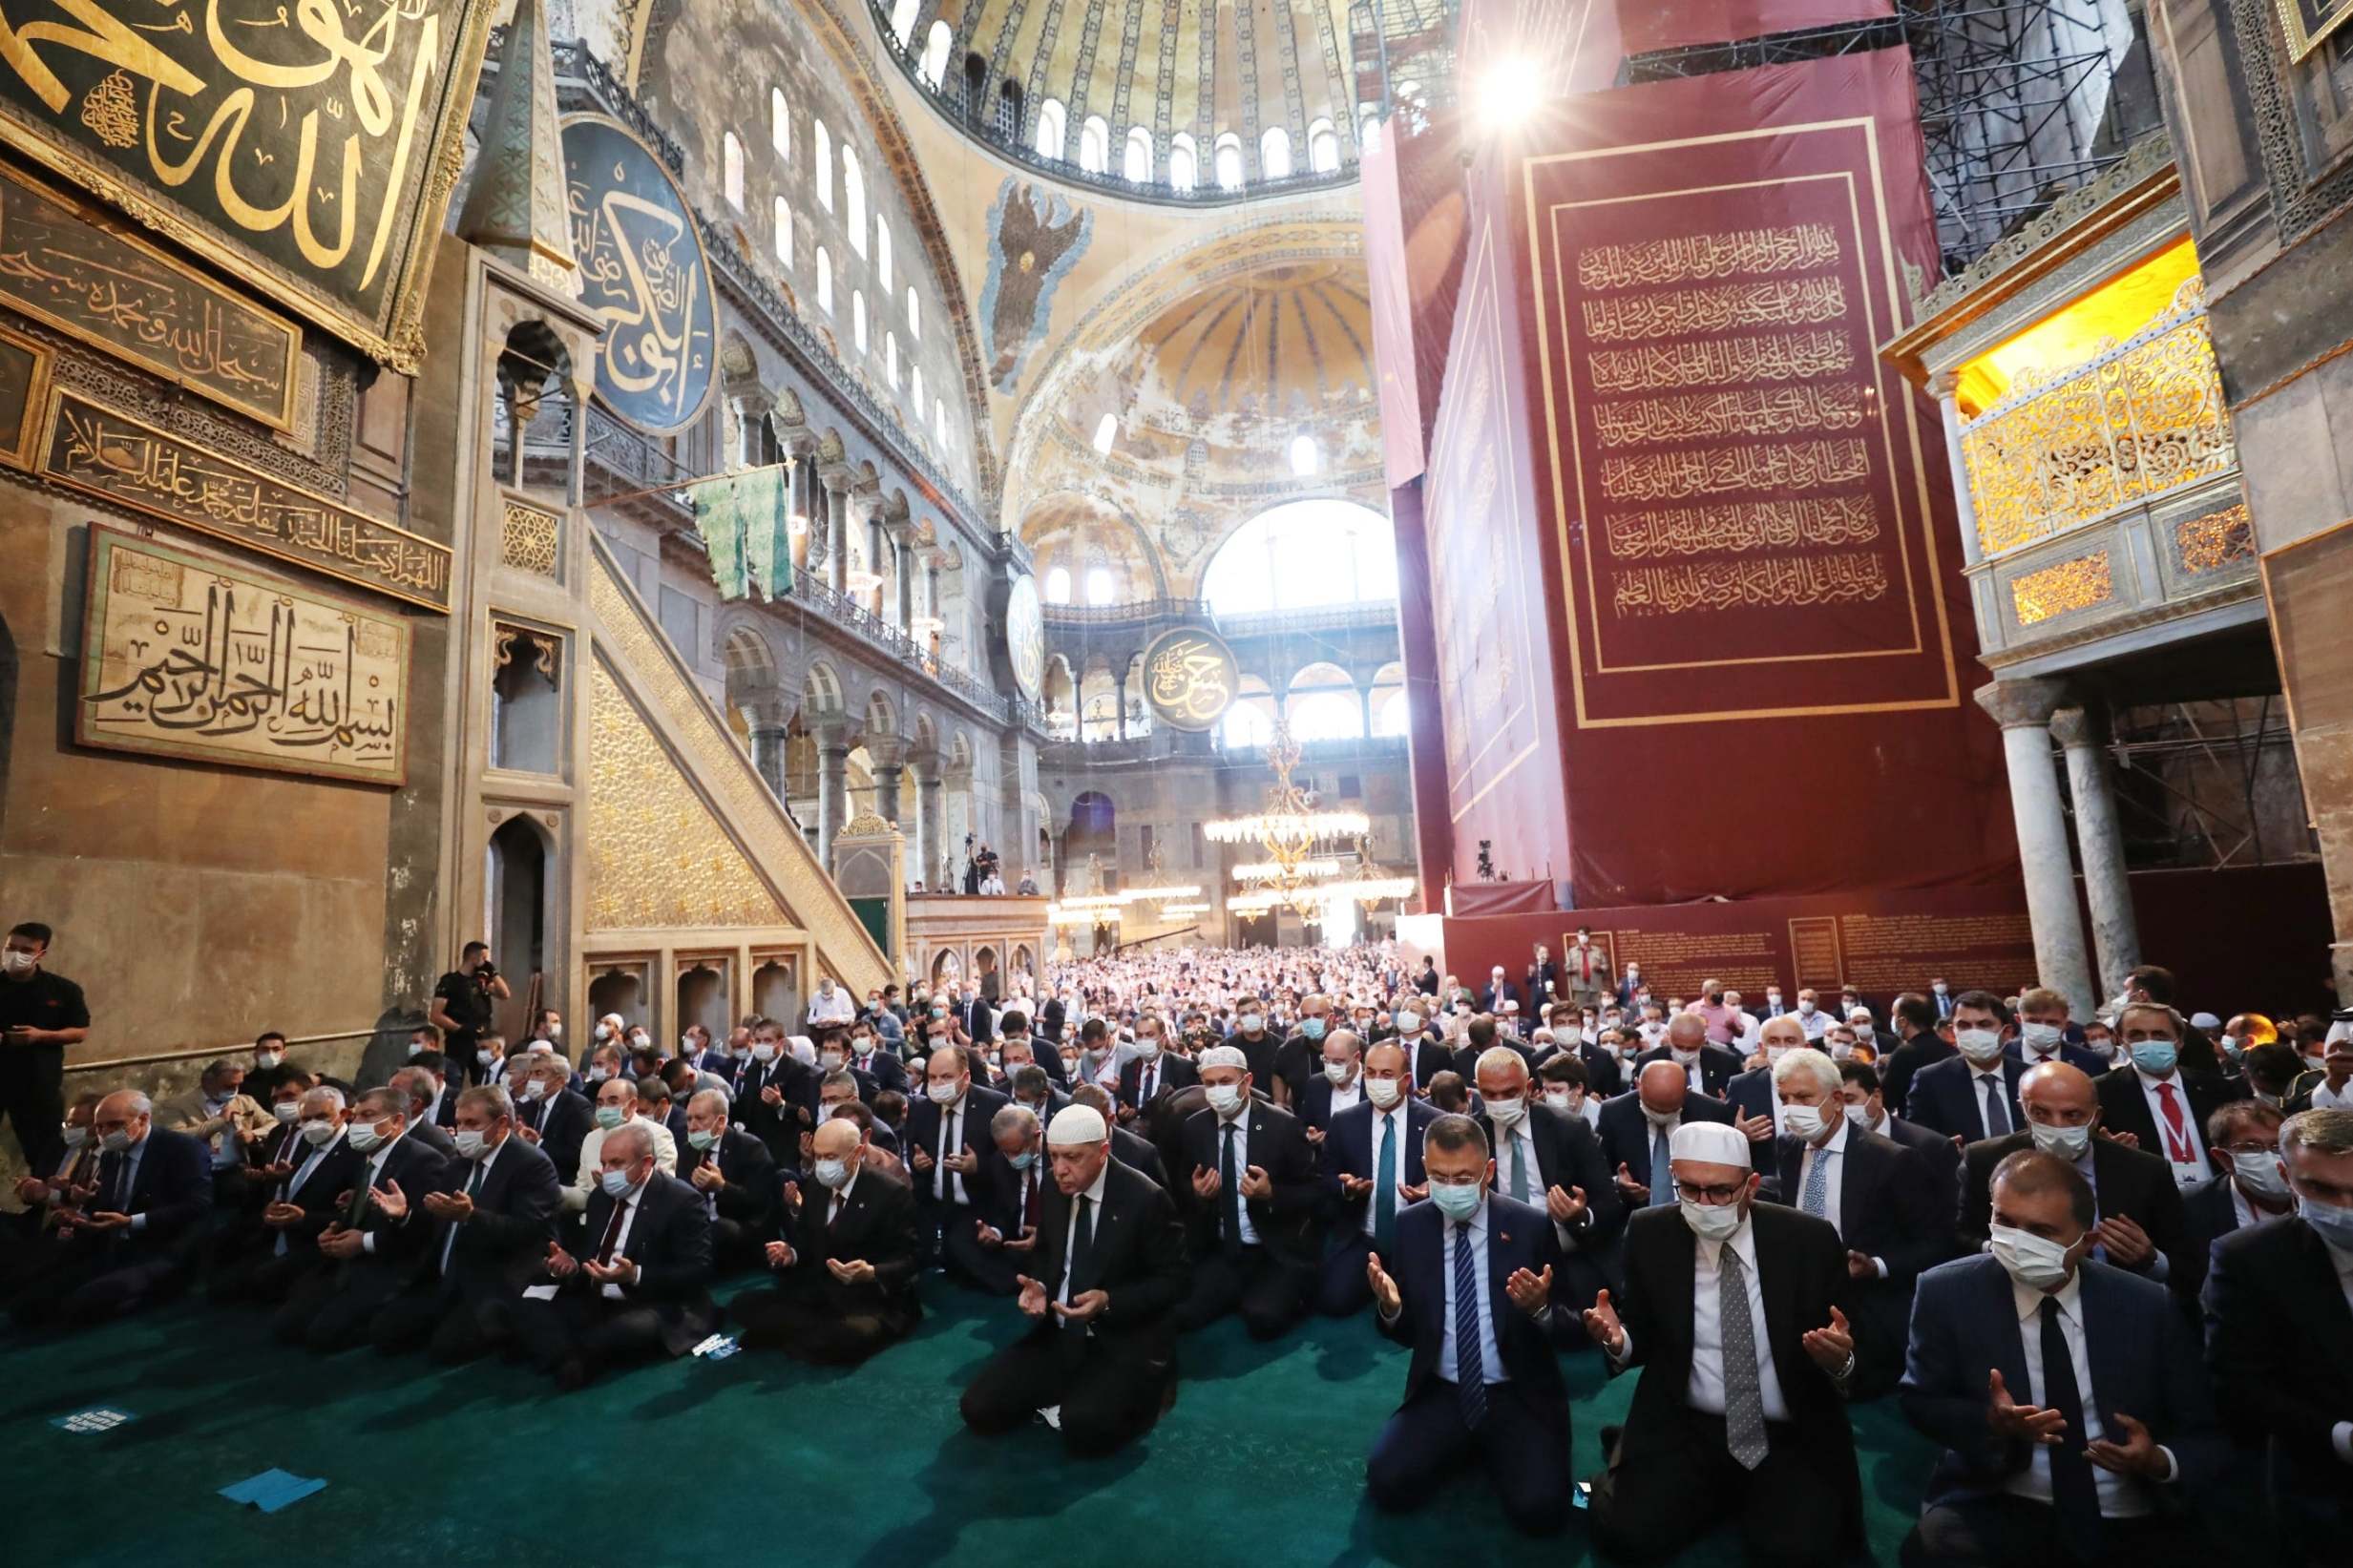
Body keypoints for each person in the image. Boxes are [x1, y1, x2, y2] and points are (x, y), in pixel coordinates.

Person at [1901, 1150, 2221, 1566]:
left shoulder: (2147, 1305)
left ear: (2086, 1241)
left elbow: (2205, 1431)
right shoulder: (1947, 1291)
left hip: (2128, 1506)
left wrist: (2158, 1460)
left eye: (2041, 1231)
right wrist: (1991, 1421)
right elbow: (1920, 1401)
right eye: (2006, 1223)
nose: (2017, 1241)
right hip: (2003, 1496)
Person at [1583, 1119, 1862, 1566]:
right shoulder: (1651, 1231)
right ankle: (1633, 1459)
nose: (1703, 1203)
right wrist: (1619, 1341)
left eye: (1719, 1191)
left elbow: (1855, 1341)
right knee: (1626, 1536)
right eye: (1688, 1189)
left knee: (1798, 1551)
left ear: (1750, 1185)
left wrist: (1841, 1360)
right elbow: (1642, 1332)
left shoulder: (1807, 1240)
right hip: (1686, 1422)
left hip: (1782, 1430)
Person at [1363, 1114, 1571, 1536]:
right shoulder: (1411, 1226)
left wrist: (1541, 1309)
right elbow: (1406, 1333)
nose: (1451, 1186)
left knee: (1542, 1511)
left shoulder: (1529, 1226)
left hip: (1516, 1391)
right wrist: (1391, 1309)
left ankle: (1484, 1448)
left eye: (1464, 1176)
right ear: (1425, 1169)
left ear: (1488, 1171)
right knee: (1388, 1484)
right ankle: (1469, 1444)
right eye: (1440, 1175)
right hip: (1442, 1390)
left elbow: (1572, 1326)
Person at [958, 1104, 1189, 1455]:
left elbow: (1174, 1281)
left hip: (1121, 1337)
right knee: (978, 1409)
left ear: (1103, 1153)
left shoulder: (1147, 1199)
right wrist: (1039, 1284)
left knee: (1083, 1430)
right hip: (1060, 1332)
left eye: (1073, 1158)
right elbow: (1047, 1250)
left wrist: (1109, 1300)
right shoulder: (1053, 1185)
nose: (1061, 1170)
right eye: (1054, 1156)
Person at [2202, 1107, 2353, 1560]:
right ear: (2286, 1175)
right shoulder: (2250, 1260)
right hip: (2324, 1500)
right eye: (2322, 1189)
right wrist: (2341, 1437)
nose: (2346, 1207)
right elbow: (2237, 1384)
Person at [1771, 1047, 1948, 1396]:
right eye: (1784, 1098)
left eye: (1803, 1096)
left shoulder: (1893, 1159)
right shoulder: (1788, 1147)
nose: (1792, 1107)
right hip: (1803, 1304)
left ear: (1837, 1100)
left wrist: (1878, 1266)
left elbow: (1936, 1243)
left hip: (1871, 1314)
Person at [509, 1123, 714, 1390]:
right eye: (604, 1163)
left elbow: (698, 1270)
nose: (607, 1172)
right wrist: (570, 1262)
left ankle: (560, 1351)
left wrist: (636, 1275)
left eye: (617, 1163)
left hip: (652, 1300)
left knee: (625, 1330)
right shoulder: (601, 1197)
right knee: (531, 1297)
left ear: (646, 1163)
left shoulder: (682, 1201)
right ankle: (570, 1357)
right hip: (597, 1295)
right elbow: (589, 1252)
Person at [368, 1084, 562, 1362]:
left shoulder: (531, 1163)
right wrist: (404, 1214)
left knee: (446, 1350)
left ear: (502, 1123)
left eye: (472, 1123)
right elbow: (437, 1219)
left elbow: (528, 1232)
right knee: (384, 1332)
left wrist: (471, 1216)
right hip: (447, 1275)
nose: (462, 1130)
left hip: (496, 1276)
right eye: (459, 1122)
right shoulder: (458, 1164)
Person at [1959, 1062, 2186, 1286]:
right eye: (2040, 1113)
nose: (2057, 1126)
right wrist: (1999, 1247)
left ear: (2095, 1117)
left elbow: (2189, 1265)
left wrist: (2151, 1259)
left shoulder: (2146, 1171)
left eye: (2072, 1115)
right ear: (2023, 1111)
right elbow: (1961, 1235)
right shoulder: (1985, 1160)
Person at [7, 1090, 213, 1328]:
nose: (105, 1134)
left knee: (79, 1305)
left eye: (114, 1125)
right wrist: (80, 1217)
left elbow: (198, 1205)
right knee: (25, 1307)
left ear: (144, 1118)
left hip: (162, 1249)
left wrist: (131, 1222)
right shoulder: (111, 1155)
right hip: (115, 1248)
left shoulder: (181, 1149)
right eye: (100, 1127)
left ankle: (160, 1291)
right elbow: (107, 1206)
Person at [734, 1117, 923, 1362]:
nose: (822, 1164)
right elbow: (805, 1238)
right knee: (742, 1305)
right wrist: (792, 1253)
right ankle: (798, 1331)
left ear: (856, 1153)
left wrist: (872, 1271)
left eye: (830, 1157)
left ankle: (789, 1332)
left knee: (843, 1338)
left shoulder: (890, 1193)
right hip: (821, 1289)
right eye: (819, 1156)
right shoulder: (817, 1185)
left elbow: (912, 1258)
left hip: (872, 1298)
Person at [274, 1086, 449, 1350]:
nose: (357, 1123)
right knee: (286, 1324)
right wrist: (335, 1229)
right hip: (348, 1264)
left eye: (368, 1116)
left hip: (389, 1267)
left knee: (323, 1337)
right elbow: (360, 1214)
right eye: (356, 1116)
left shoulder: (424, 1161)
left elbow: (426, 1233)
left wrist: (365, 1240)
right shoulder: (365, 1154)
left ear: (397, 1120)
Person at [1173, 1046, 1315, 1339]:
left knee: (1264, 1321)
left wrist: (1272, 1193)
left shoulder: (1283, 1126)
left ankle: (1286, 1292)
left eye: (1225, 1082)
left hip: (1273, 1249)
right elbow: (1183, 1188)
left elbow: (1315, 1192)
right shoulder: (1194, 1127)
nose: (1216, 1091)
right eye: (1209, 1084)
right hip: (1223, 1249)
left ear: (1247, 1081)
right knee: (1184, 1314)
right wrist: (1198, 1193)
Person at [1470, 1044, 1620, 1314]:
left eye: (1510, 1092)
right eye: (1490, 1094)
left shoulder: (1569, 1129)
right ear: (1477, 1089)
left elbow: (1609, 1204)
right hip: (1497, 1259)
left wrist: (1580, 1215)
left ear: (1528, 1087)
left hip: (1565, 1254)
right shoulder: (1473, 1134)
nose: (1500, 1100)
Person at [1316, 1042, 1438, 1315]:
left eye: (1386, 1074)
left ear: (1405, 1080)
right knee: (1333, 1302)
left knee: (1426, 1308)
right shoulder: (1345, 1121)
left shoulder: (1435, 1123)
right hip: (1363, 1235)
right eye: (1370, 1073)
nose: (1376, 1081)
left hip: (1416, 1237)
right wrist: (1346, 1187)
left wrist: (1434, 1188)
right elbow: (1325, 1176)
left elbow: (1454, 1177)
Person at [2097, 1002, 2241, 1190]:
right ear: (2120, 1040)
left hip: (2216, 1198)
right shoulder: (2101, 1092)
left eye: (2159, 1035)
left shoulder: (2216, 1088)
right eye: (2137, 1035)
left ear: (2179, 1041)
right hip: (2150, 1201)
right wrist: (2105, 1151)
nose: (2149, 1042)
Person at [2175, 1098, 2292, 1304]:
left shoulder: (2322, 1192)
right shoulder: (2190, 1209)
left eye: (2277, 1146)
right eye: (2251, 1148)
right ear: (2223, 1158)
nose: (2269, 1157)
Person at [0, 921, 89, 1175]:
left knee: (44, 1153)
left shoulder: (63, 990)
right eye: (10, 947)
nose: (15, 955)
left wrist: (40, 1036)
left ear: (41, 954)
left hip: (38, 1085)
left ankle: (43, 1206)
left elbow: (79, 1031)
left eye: (25, 951)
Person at [905, 1044, 1006, 1259]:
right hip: (933, 1211)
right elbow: (913, 1156)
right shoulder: (920, 1110)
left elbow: (1007, 1167)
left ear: (966, 1076)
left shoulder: (993, 1105)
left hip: (977, 1212)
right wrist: (918, 1164)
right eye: (932, 1077)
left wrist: (978, 1167)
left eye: (946, 1076)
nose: (938, 1084)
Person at [1597, 1059, 1740, 1209]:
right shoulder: (1613, 1112)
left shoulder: (1712, 1113)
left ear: (1687, 1091)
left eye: (1670, 1110)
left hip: (1698, 1210)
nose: (1661, 1115)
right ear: (1638, 1085)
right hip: (1634, 1214)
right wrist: (1617, 1183)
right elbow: (1599, 1170)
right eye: (1653, 1108)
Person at [1907, 991, 2027, 1142]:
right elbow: (1920, 1139)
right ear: (1952, 1032)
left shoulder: (2028, 1076)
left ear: (2007, 1032)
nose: (1974, 1032)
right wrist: (1941, 1148)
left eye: (1984, 1024)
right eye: (1964, 1026)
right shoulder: (1930, 1080)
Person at [674, 1087, 773, 1270]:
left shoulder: (750, 1147)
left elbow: (761, 1203)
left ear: (720, 1121)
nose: (692, 1126)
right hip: (698, 1226)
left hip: (738, 1226)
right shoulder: (688, 1150)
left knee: (719, 1230)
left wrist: (722, 1186)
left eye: (700, 1118)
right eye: (689, 1119)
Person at [157, 1056, 275, 1205]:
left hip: (234, 1170)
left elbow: (273, 1125)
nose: (234, 1090)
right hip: (197, 1173)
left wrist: (253, 1135)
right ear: (207, 1082)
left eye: (238, 1085)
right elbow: (176, 1138)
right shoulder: (178, 1105)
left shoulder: (245, 1101)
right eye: (228, 1086)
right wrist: (218, 1122)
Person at [1838, 1059, 1962, 1200]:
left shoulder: (1930, 1147)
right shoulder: (1822, 1149)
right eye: (1836, 1101)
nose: (1842, 1109)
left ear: (1877, 1097)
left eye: (1849, 1100)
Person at [428, 941, 507, 1084]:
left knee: (482, 1080)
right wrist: (461, 1029)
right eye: (484, 958)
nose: (486, 961)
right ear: (474, 958)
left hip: (482, 1039)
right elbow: (436, 1015)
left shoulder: (481, 980)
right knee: (453, 1078)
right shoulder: (450, 981)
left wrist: (493, 972)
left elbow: (504, 994)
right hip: (459, 1040)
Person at [512, 1050, 595, 1184]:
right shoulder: (526, 1106)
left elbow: (576, 1155)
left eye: (538, 1073)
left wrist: (538, 1143)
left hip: (558, 1182)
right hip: (525, 1178)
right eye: (530, 1073)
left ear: (560, 1080)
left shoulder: (576, 1106)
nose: (531, 1079)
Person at [1635, 1011, 1742, 1098]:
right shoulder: (1648, 1061)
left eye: (1692, 1048)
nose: (1685, 1052)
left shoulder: (1726, 1063)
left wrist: (1724, 1107)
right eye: (1679, 1046)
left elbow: (1739, 1101)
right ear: (1668, 1036)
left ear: (1703, 1040)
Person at [1880, 992, 1951, 1118]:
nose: (1893, 1019)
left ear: (1902, 1022)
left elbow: (1886, 1099)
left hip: (1916, 1127)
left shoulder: (1904, 1054)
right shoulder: (1948, 1048)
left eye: (1893, 1015)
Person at [1116, 1015, 1197, 1116]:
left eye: (1149, 1035)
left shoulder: (1183, 1067)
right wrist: (1123, 1114)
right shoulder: (1128, 1068)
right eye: (1139, 1035)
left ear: (1163, 1039)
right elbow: (1123, 1104)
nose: (1143, 1040)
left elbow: (1187, 1109)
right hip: (1134, 1128)